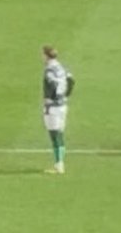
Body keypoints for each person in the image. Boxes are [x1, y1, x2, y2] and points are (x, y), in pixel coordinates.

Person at [41, 45, 74, 175]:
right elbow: (71, 80)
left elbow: (53, 84)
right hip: (63, 106)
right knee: (60, 134)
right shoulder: (62, 67)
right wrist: (66, 95)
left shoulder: (49, 70)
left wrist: (52, 98)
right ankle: (59, 163)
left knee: (55, 135)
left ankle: (59, 165)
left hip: (53, 108)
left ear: (46, 55)